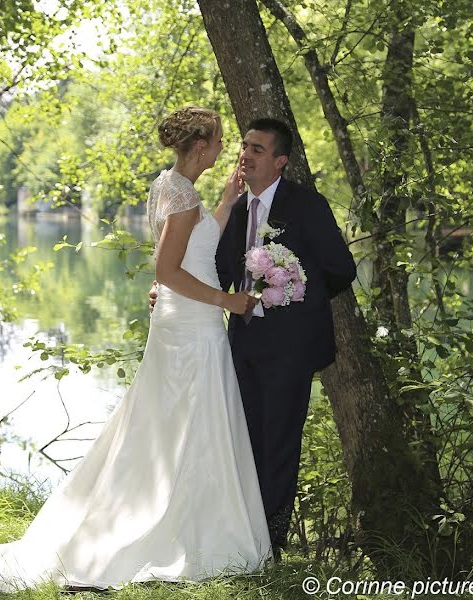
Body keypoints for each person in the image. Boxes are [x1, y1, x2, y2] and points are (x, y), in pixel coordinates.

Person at [0, 106, 271, 593]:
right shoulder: (183, 199)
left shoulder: (169, 186)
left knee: (167, 424)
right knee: (182, 422)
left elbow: (185, 253)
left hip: (179, 318)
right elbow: (168, 271)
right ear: (201, 145)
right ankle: (180, 530)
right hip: (192, 323)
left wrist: (227, 204)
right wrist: (227, 299)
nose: (226, 148)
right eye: (220, 140)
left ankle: (173, 517)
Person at [152, 117, 357, 559]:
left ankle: (272, 542)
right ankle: (243, 536)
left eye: (257, 149)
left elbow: (342, 269)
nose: (244, 154)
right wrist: (167, 287)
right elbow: (218, 271)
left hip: (291, 348)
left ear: (280, 161)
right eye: (243, 146)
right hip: (239, 345)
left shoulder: (306, 205)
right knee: (241, 443)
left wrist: (294, 295)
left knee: (280, 443)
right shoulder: (239, 207)